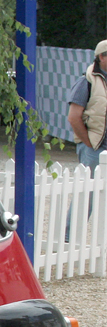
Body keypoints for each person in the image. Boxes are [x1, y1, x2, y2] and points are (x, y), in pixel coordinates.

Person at [64, 39, 107, 241]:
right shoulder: (86, 81)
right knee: (86, 195)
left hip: (98, 145)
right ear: (101, 57)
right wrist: (88, 142)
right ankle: (69, 239)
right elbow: (74, 116)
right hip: (96, 146)